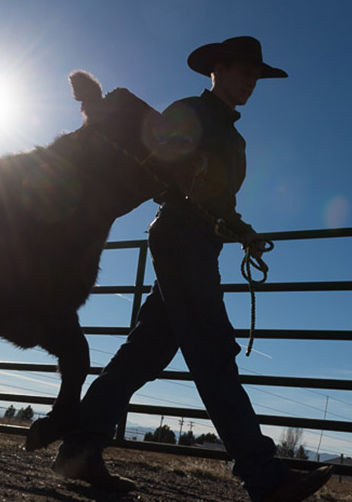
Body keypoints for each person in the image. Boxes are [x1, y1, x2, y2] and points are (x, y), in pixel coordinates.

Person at [53, 36, 332, 502]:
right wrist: (187, 162)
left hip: (199, 241)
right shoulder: (192, 112)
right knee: (213, 350)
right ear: (217, 70)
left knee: (143, 354)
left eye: (255, 77)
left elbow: (220, 200)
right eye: (244, 72)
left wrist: (242, 231)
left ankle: (78, 450)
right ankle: (264, 476)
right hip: (181, 236)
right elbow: (156, 153)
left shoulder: (233, 135)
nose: (250, 83)